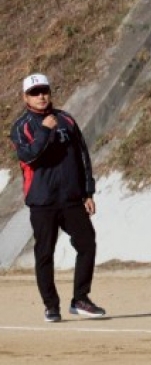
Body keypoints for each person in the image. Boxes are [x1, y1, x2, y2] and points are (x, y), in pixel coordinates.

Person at [10, 73, 105, 322]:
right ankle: (51, 306)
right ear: (25, 97)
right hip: (42, 201)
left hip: (71, 198)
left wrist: (87, 191)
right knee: (45, 253)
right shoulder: (21, 127)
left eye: (44, 91)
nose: (41, 96)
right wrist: (44, 130)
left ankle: (81, 299)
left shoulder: (66, 120)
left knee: (87, 243)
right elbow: (29, 156)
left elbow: (82, 155)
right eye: (34, 93)